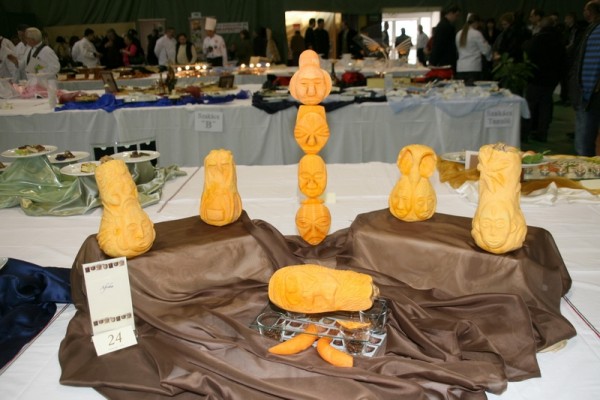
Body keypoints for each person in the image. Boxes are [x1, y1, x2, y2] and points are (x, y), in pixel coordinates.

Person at [523, 17, 567, 142]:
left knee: (531, 105)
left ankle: (526, 132)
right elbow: (563, 60)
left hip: (536, 78)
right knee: (545, 106)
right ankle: (542, 133)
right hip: (551, 80)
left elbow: (528, 53)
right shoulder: (559, 40)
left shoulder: (537, 39)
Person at [574, 1, 600, 156]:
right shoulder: (590, 30)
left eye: (586, 9)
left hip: (592, 94)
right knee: (584, 142)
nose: (584, 12)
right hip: (587, 93)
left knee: (585, 142)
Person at [455, 14, 492, 86]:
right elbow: (485, 50)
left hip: (460, 68)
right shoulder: (477, 34)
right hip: (474, 67)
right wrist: (490, 55)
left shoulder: (458, 34)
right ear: (476, 22)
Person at [429, 3, 461, 70]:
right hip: (445, 62)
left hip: (444, 60)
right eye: (456, 15)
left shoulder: (443, 25)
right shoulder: (446, 27)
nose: (457, 18)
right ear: (451, 13)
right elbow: (438, 45)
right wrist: (433, 62)